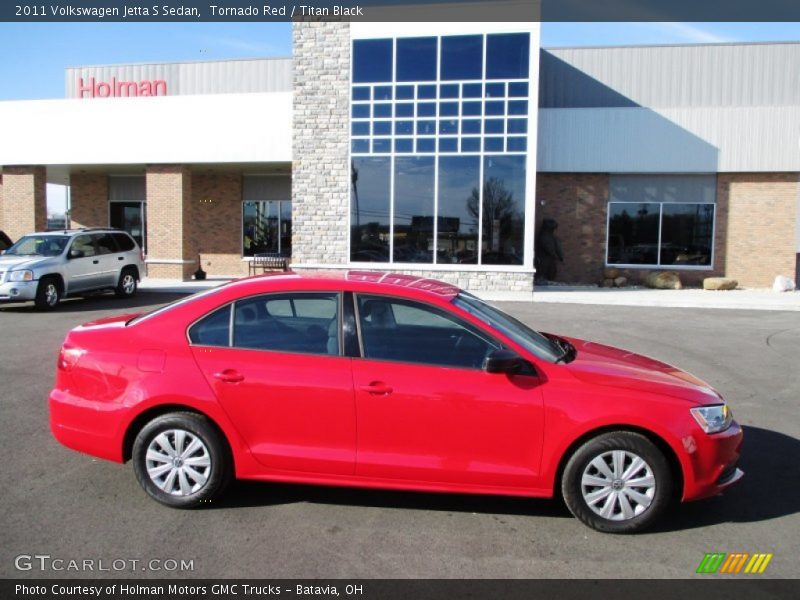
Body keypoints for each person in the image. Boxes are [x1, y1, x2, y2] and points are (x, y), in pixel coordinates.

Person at [535, 218, 564, 283]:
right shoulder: (544, 237)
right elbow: (549, 248)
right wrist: (556, 255)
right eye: (553, 228)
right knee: (545, 274)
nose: (554, 230)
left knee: (551, 273)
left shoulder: (551, 237)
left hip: (550, 260)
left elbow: (555, 247)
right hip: (544, 260)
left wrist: (559, 256)